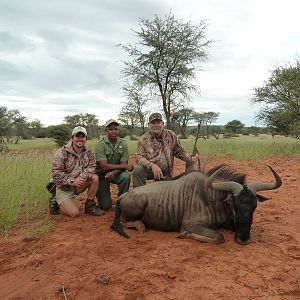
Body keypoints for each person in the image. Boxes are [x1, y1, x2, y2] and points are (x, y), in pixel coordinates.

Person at [132, 112, 198, 188]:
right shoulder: (143, 139)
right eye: (153, 123)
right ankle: (138, 195)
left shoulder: (171, 135)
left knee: (189, 161)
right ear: (149, 125)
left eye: (158, 123)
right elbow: (139, 157)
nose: (156, 126)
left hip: (167, 173)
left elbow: (179, 151)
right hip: (151, 171)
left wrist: (190, 158)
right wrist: (152, 166)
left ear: (162, 124)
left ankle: (188, 188)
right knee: (137, 170)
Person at [50, 126, 101, 217]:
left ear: (86, 139)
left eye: (83, 137)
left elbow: (92, 167)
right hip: (64, 187)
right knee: (74, 213)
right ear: (72, 138)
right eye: (77, 136)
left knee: (94, 178)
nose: (80, 139)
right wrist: (73, 181)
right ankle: (56, 199)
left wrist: (82, 176)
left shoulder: (88, 152)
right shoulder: (61, 152)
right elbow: (56, 174)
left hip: (79, 184)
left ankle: (90, 207)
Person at [94, 119, 133, 211]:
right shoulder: (100, 144)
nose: (113, 131)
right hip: (102, 175)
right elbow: (103, 166)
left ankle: (122, 201)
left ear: (118, 130)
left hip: (117, 173)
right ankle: (102, 199)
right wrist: (125, 167)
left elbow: (123, 163)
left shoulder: (123, 143)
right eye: (110, 129)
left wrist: (114, 172)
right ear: (106, 130)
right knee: (105, 206)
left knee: (125, 177)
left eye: (115, 129)